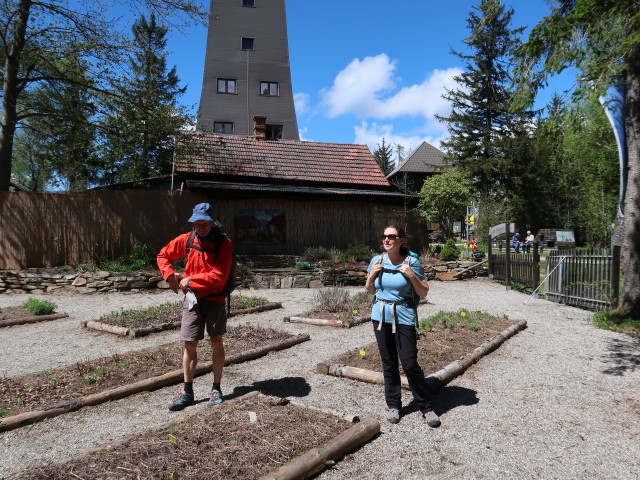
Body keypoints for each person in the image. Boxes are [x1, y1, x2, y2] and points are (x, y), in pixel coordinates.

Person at [157, 203, 233, 411]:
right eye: (197, 224)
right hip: (192, 299)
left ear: (212, 222)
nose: (201, 228)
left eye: (205, 224)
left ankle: (216, 388)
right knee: (189, 343)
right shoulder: (188, 239)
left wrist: (190, 280)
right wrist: (169, 275)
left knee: (215, 340)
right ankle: (187, 392)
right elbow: (163, 255)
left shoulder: (223, 243)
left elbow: (219, 277)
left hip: (215, 298)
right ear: (192, 223)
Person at [365, 225, 441, 428]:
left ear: (401, 240)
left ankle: (426, 406)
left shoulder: (411, 262)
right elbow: (370, 289)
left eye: (392, 236)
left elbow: (423, 292)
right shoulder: (376, 261)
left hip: (404, 316)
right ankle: (393, 405)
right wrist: (371, 276)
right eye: (384, 236)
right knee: (388, 362)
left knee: (409, 363)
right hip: (380, 316)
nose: (387, 239)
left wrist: (411, 275)